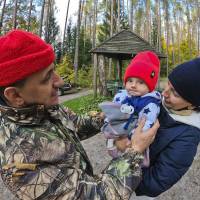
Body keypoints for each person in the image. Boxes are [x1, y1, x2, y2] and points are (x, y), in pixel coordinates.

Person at [0, 29, 159, 200]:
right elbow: (97, 196)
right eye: (47, 78)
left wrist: (112, 114)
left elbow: (75, 124)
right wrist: (134, 151)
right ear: (15, 96)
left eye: (54, 70)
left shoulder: (42, 107)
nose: (60, 81)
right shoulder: (18, 159)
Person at [115, 57, 200, 197]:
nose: (165, 93)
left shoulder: (188, 137)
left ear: (192, 104)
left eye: (175, 93)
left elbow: (153, 184)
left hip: (132, 188)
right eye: (167, 84)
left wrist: (128, 152)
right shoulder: (154, 101)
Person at [100, 51, 161, 167]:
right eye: (130, 80)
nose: (133, 85)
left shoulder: (150, 103)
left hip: (134, 136)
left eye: (140, 82)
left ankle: (131, 163)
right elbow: (114, 110)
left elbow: (147, 122)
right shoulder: (122, 95)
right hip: (119, 130)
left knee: (131, 162)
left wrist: (131, 136)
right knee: (116, 154)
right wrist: (108, 119)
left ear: (150, 86)